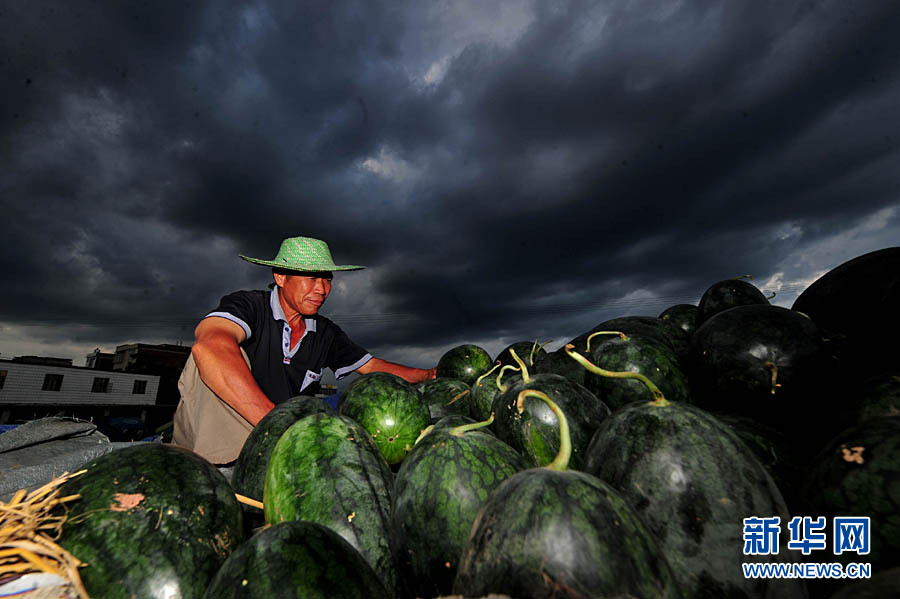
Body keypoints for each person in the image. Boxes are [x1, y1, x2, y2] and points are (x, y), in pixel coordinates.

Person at [172, 235, 436, 465]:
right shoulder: (247, 305)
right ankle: (222, 467)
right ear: (280, 277)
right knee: (215, 353)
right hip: (229, 443)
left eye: (327, 280)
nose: (322, 290)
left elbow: (371, 367)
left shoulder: (324, 332)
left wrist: (427, 375)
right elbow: (210, 345)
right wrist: (277, 425)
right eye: (312, 278)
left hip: (277, 446)